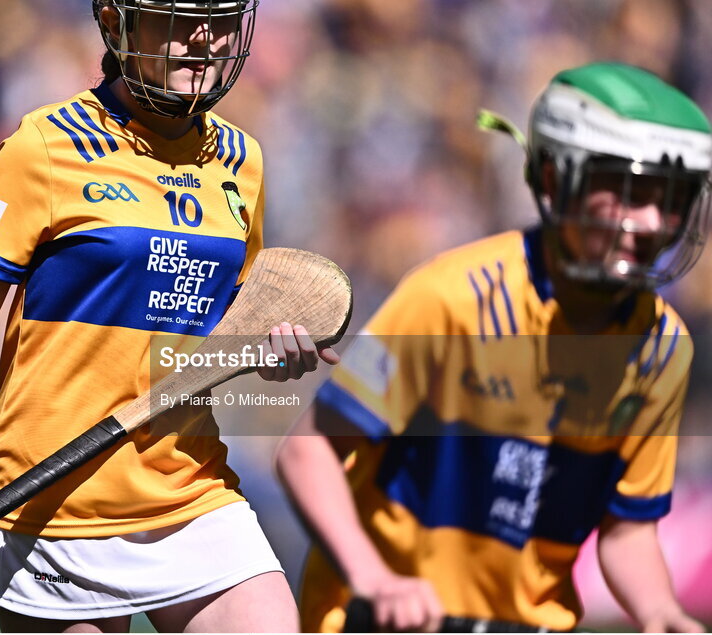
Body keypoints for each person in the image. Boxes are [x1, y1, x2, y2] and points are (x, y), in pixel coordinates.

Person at [0, 0, 337, 634]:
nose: (202, 40)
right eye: (176, 17)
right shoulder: (44, 147)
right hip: (51, 504)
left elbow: (205, 333)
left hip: (189, 491)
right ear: (115, 20)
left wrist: (267, 350)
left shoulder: (243, 163)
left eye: (219, 19)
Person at [275, 63, 711, 633]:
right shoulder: (451, 298)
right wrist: (375, 577)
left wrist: (658, 611)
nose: (652, 222)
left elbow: (628, 530)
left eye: (670, 199)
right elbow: (309, 452)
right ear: (555, 180)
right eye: (629, 191)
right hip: (383, 621)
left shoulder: (661, 349)